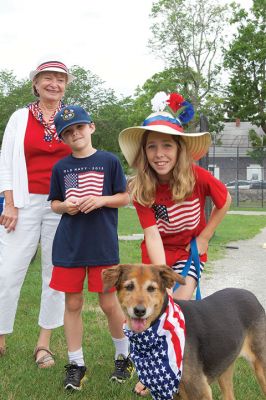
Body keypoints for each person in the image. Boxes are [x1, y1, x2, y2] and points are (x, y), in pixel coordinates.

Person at [119, 92, 231, 395]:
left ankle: (181, 363)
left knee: (179, 305)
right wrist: (160, 276)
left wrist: (205, 236)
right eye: (152, 146)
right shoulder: (142, 186)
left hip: (190, 251)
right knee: (155, 307)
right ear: (143, 153)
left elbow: (225, 200)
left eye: (167, 145)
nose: (159, 153)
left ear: (180, 149)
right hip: (158, 255)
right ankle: (152, 368)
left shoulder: (199, 176)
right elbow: (153, 234)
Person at [48, 105, 134, 390]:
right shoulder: (61, 167)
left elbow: (124, 198)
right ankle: (76, 363)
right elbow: (54, 202)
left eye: (80, 128)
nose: (76, 134)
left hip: (102, 247)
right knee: (72, 303)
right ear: (63, 138)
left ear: (91, 128)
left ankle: (124, 357)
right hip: (70, 246)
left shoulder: (109, 161)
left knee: (109, 303)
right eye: (68, 132)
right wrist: (65, 207)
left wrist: (101, 200)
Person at [0, 58, 75, 366]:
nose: (53, 83)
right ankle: (1, 336)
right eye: (47, 77)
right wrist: (10, 202)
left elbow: (83, 154)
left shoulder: (72, 117)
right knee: (7, 270)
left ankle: (43, 344)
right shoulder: (20, 117)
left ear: (66, 85)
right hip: (25, 200)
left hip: (61, 203)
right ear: (36, 83)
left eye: (60, 78)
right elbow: (6, 160)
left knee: (54, 274)